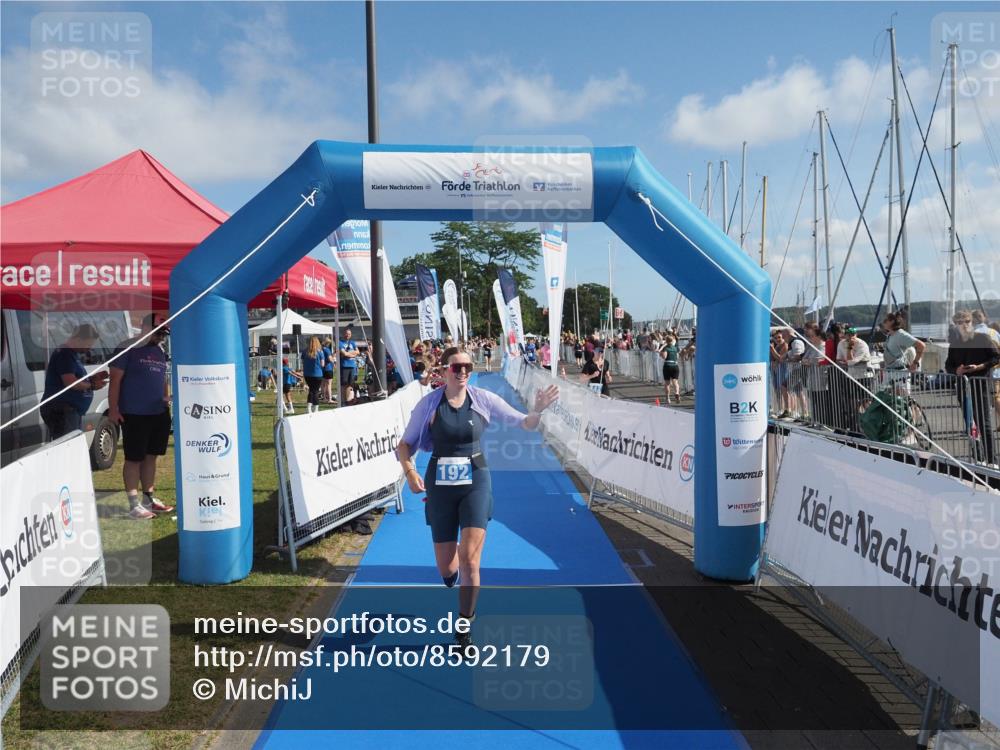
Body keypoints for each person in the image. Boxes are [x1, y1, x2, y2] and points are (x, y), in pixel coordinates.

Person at [396, 347, 559, 651]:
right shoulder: (428, 405)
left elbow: (524, 423)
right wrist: (409, 473)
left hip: (476, 479)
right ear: (443, 371)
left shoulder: (483, 399)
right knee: (447, 569)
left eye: (467, 367)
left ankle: (464, 628)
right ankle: (452, 571)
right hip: (441, 486)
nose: (463, 372)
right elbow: (404, 445)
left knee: (471, 559)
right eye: (456, 367)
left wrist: (536, 410)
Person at [109, 314, 174, 520]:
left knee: (151, 456)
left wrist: (165, 398)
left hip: (158, 411)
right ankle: (133, 504)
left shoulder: (159, 350)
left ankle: (148, 498)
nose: (162, 337)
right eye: (159, 332)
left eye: (164, 333)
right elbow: (115, 380)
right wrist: (113, 408)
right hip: (134, 412)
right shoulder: (126, 347)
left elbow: (162, 378)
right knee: (134, 458)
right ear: (145, 327)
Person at [945, 310, 999, 465]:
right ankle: (978, 458)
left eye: (966, 322)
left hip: (980, 385)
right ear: (955, 325)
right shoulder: (955, 344)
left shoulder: (983, 338)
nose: (963, 325)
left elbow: (996, 357)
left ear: (971, 322)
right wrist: (956, 370)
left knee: (984, 424)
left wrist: (980, 366)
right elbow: (948, 364)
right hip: (963, 387)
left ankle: (991, 461)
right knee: (970, 424)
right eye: (959, 322)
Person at [41, 324, 110, 441]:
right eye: (88, 344)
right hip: (63, 410)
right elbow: (70, 382)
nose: (89, 349)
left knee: (71, 445)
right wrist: (92, 385)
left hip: (69, 411)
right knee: (67, 446)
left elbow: (74, 378)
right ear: (78, 340)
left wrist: (92, 378)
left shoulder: (72, 355)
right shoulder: (64, 353)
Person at [836, 327, 872, 432]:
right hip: (850, 376)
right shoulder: (841, 343)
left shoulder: (862, 344)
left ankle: (871, 422)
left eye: (854, 334)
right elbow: (838, 359)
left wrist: (850, 349)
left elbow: (851, 361)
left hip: (864, 376)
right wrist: (846, 361)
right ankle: (856, 426)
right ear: (845, 335)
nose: (852, 337)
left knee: (866, 401)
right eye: (849, 335)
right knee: (852, 402)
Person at [300, 336, 326, 414]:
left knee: (311, 390)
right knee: (315, 391)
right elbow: (322, 364)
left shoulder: (304, 352)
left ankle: (309, 408)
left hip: (307, 374)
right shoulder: (320, 352)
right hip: (317, 374)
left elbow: (302, 363)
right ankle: (316, 408)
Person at [339, 328, 360, 403]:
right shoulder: (340, 343)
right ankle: (342, 401)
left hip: (352, 366)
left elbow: (358, 352)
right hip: (344, 366)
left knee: (350, 384)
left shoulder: (352, 343)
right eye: (346, 334)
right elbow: (344, 353)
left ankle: (348, 400)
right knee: (343, 384)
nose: (347, 335)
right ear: (343, 334)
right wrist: (353, 354)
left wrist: (350, 354)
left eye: (349, 334)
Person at [659, 335, 680, 404]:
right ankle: (677, 392)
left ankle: (668, 398)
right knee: (675, 381)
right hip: (675, 365)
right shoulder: (675, 348)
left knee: (667, 383)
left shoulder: (666, 348)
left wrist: (661, 354)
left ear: (666, 341)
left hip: (667, 365)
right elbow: (677, 356)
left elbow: (665, 357)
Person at [321, 337, 336, 403]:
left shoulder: (321, 349)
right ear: (328, 343)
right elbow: (330, 359)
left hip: (323, 369)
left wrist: (333, 355)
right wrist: (334, 361)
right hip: (328, 368)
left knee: (323, 384)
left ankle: (324, 398)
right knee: (329, 384)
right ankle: (329, 399)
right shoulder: (327, 350)